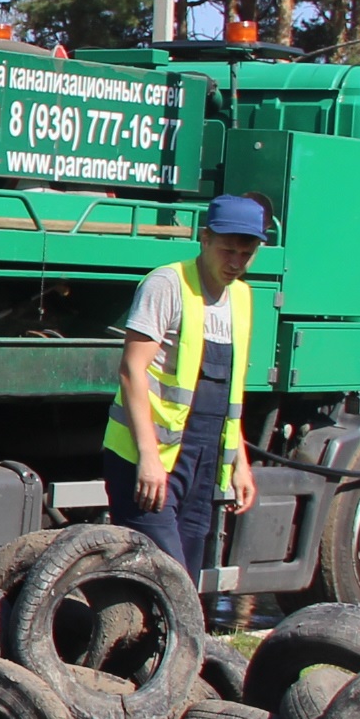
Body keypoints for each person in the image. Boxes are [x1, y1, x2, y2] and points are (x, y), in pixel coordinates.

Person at [106, 192, 266, 589]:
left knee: (185, 581)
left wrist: (240, 463)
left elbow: (229, 395)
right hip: (150, 460)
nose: (235, 263)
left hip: (205, 461)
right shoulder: (166, 285)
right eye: (228, 250)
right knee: (169, 583)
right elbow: (131, 370)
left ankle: (169, 652)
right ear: (205, 238)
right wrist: (147, 457)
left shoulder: (242, 298)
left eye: (245, 254)